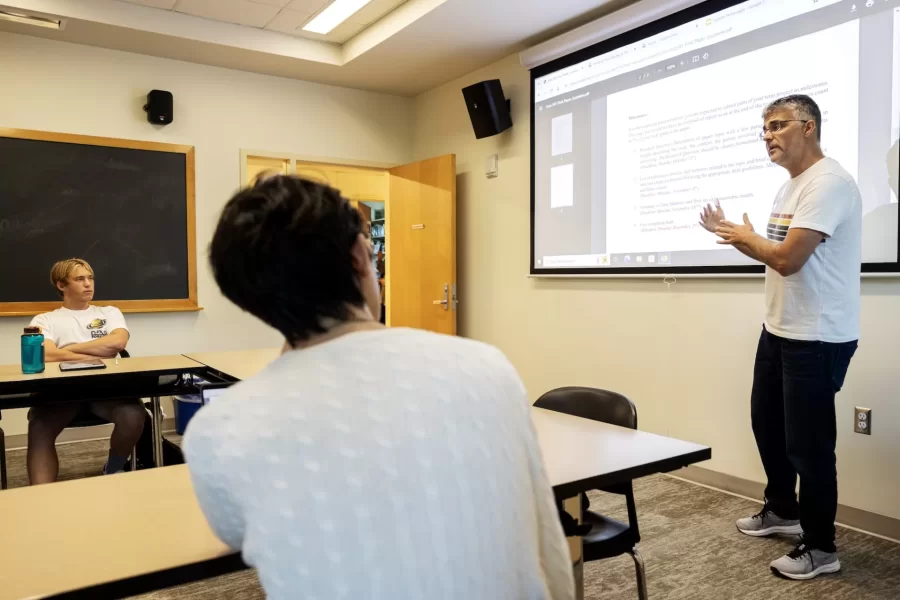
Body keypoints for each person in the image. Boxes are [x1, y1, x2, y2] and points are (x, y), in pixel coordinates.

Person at [184, 176, 574, 599]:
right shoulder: (487, 365)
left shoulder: (218, 429)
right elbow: (545, 539)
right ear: (359, 257)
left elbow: (237, 532)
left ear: (245, 296)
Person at [699, 95, 861, 580]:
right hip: (779, 329)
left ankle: (822, 548)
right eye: (764, 129)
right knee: (767, 425)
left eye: (776, 125)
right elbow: (776, 254)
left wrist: (745, 238)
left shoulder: (828, 183)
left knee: (809, 447)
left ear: (808, 126)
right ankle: (783, 510)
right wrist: (746, 239)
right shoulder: (789, 187)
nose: (767, 135)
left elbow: (788, 259)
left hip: (817, 337)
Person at [28, 259, 145, 484]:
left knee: (134, 415)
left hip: (106, 390)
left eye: (90, 278)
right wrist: (98, 353)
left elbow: (118, 343)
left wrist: (67, 350)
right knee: (39, 427)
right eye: (79, 279)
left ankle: (112, 469)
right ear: (62, 285)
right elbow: (46, 355)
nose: (88, 284)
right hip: (61, 392)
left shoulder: (109, 313)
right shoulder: (44, 320)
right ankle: (40, 495)